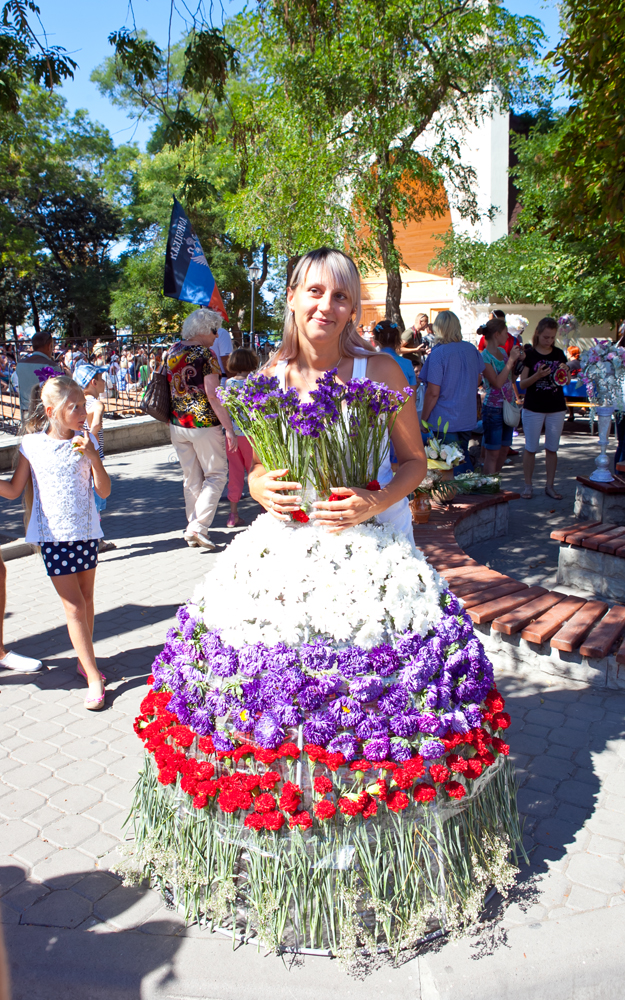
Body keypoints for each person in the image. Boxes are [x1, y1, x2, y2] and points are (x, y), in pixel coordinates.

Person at [250, 247, 425, 536]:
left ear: (353, 311)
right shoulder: (268, 381)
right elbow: (259, 464)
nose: (326, 306)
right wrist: (256, 485)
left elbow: (415, 462)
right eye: (315, 291)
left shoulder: (380, 372)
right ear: (291, 298)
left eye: (340, 296)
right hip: (297, 539)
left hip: (377, 538)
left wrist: (376, 502)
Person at [0, 375, 110, 709]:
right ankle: (93, 675)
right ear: (51, 411)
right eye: (74, 407)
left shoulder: (86, 440)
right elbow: (14, 490)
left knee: (87, 600)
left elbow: (104, 490)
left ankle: (83, 661)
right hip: (53, 539)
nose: (82, 412)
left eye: (84, 405)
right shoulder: (32, 445)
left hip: (86, 533)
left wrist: (93, 456)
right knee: (74, 606)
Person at [167, 308, 237, 550]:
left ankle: (193, 528)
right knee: (216, 475)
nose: (217, 336)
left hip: (177, 423)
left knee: (191, 478)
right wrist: (229, 428)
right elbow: (213, 395)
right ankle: (197, 528)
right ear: (204, 329)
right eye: (214, 330)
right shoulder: (206, 354)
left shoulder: (173, 350)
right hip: (203, 424)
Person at [419, 311, 485, 473]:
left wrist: (423, 419)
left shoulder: (438, 354)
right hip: (466, 415)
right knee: (462, 458)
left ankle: (465, 487)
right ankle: (471, 484)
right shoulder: (471, 349)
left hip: (445, 418)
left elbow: (433, 392)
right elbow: (478, 379)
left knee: (449, 465)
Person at [519, 316, 570, 499]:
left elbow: (566, 381)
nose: (549, 341)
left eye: (552, 337)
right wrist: (537, 376)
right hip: (533, 407)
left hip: (556, 407)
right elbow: (522, 384)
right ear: (538, 334)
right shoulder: (530, 354)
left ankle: (550, 486)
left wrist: (566, 373)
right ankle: (528, 486)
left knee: (552, 448)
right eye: (546, 337)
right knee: (531, 448)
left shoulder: (558, 354)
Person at [74, 364, 117, 553]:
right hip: (92, 456)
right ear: (93, 382)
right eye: (101, 379)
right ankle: (96, 540)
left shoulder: (76, 404)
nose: (104, 382)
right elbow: (97, 423)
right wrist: (90, 440)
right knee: (95, 499)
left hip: (79, 455)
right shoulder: (96, 403)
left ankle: (91, 539)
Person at [479, 318, 522, 474]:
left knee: (504, 450)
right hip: (493, 409)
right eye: (505, 333)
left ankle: (494, 481)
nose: (508, 336)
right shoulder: (484, 357)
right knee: (493, 452)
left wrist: (518, 363)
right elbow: (497, 383)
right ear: (497, 334)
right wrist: (510, 361)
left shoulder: (502, 352)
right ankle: (488, 483)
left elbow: (510, 379)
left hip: (508, 405)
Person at [224, 348, 259, 528]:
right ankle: (264, 509)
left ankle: (233, 514)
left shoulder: (229, 383)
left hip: (232, 436)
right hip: (251, 435)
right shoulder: (255, 382)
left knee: (235, 473)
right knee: (256, 471)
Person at [15, 332, 65, 416]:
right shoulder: (51, 366)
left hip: (25, 412)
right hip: (45, 413)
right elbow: (61, 390)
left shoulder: (20, 364)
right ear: (49, 346)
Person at [372, 320, 418, 391]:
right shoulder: (407, 364)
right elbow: (412, 395)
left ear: (375, 340)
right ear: (398, 340)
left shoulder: (370, 363)